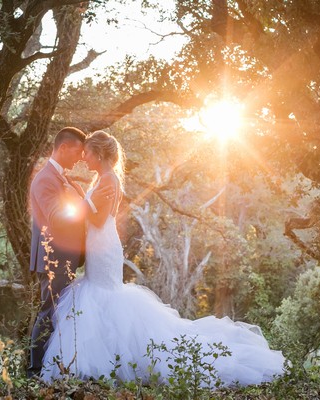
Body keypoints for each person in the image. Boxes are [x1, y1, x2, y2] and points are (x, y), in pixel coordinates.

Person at [40, 130, 285, 386]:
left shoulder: (109, 180)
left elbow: (98, 218)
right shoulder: (101, 179)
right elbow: (94, 213)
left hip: (103, 247)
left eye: (87, 153)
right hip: (98, 247)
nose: (83, 158)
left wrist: (79, 204)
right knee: (98, 298)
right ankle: (103, 364)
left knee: (103, 297)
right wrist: (82, 198)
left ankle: (105, 365)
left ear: (99, 153)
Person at [27, 127, 113, 378]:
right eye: (78, 150)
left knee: (56, 312)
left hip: (65, 258)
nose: (81, 156)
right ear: (63, 147)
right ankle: (34, 370)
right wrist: (89, 203)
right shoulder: (45, 179)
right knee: (48, 311)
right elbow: (57, 218)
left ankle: (54, 367)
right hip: (53, 258)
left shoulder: (62, 177)